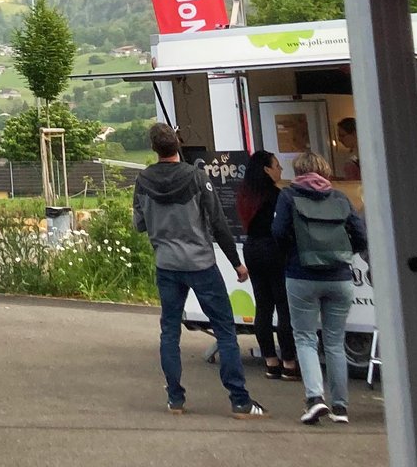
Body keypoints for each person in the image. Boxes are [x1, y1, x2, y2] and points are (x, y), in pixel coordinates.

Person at [132, 122, 265, 419]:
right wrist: (236, 263)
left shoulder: (142, 181)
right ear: (178, 144)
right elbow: (218, 224)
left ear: (154, 149)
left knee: (169, 331)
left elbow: (139, 224)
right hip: (201, 263)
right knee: (225, 330)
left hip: (166, 263)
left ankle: (175, 399)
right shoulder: (197, 177)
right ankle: (240, 401)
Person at [272, 150, 368, 425]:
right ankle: (340, 408)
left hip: (301, 274)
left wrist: (294, 251)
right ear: (324, 171)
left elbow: (278, 232)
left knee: (305, 338)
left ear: (298, 171)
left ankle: (315, 399)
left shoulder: (289, 196)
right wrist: (344, 255)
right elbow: (360, 235)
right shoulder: (339, 197)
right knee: (335, 342)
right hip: (340, 277)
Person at [236, 150, 299, 382]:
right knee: (283, 305)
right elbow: (282, 227)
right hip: (273, 249)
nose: (280, 170)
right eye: (277, 166)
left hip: (252, 248)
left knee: (263, 305)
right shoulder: (277, 195)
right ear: (266, 169)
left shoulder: (245, 194)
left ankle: (270, 362)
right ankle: (289, 363)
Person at [331, 117, 362, 181]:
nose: (339, 139)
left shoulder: (363, 154)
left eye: (342, 135)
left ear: (354, 134)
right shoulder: (353, 153)